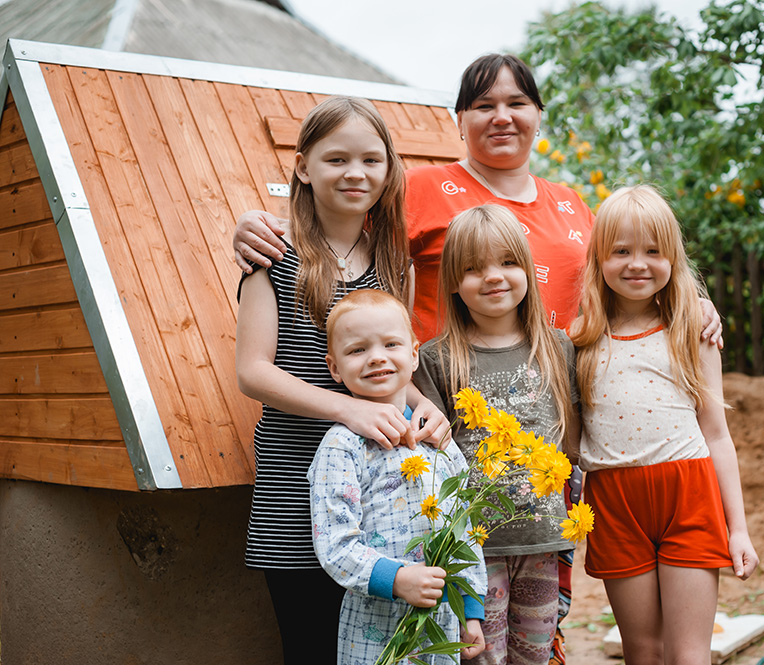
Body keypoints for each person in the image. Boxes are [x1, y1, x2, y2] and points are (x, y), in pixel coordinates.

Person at [231, 54, 722, 664]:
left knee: (498, 635)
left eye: (517, 103)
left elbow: (632, 263)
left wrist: (693, 299)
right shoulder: (417, 200)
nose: (502, 117)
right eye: (484, 105)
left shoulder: (568, 207)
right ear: (457, 118)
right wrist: (255, 220)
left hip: (472, 467)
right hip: (405, 452)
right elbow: (324, 228)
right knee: (351, 637)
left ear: (539, 114)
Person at [234, 95, 450, 664]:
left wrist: (421, 403)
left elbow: (391, 370)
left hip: (377, 503)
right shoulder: (272, 255)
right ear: (304, 167)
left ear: (388, 170)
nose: (356, 173)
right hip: (294, 490)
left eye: (371, 160)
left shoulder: (392, 261)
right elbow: (253, 372)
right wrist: (346, 409)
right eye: (336, 160)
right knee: (309, 647)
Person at [569, 185, 759, 665]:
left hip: (688, 492)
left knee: (689, 654)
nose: (638, 263)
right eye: (622, 251)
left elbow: (717, 432)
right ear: (598, 258)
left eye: (653, 251)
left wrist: (738, 529)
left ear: (673, 257)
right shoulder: (580, 336)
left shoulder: (692, 326)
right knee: (643, 650)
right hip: (614, 501)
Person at [412, 206, 578, 665]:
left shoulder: (557, 347)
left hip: (543, 540)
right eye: (472, 268)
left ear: (528, 269)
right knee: (480, 655)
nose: (493, 277)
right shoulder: (437, 359)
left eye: (508, 262)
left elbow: (575, 441)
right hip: (474, 547)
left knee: (535, 653)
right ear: (451, 282)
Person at [308, 289, 487, 663]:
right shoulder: (343, 445)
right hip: (374, 625)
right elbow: (335, 545)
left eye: (391, 343)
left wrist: (470, 611)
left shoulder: (437, 440)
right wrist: (396, 579)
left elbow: (465, 530)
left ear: (414, 354)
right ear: (334, 368)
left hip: (442, 620)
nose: (377, 357)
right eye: (357, 350)